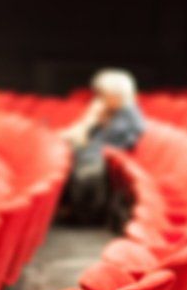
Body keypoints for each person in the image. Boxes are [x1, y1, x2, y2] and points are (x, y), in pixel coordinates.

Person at [59, 68, 146, 223]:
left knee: (86, 169)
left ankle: (84, 215)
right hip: (96, 154)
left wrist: (92, 121)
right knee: (70, 156)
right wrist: (91, 118)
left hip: (104, 158)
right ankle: (70, 208)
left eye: (102, 94)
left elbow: (112, 144)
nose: (99, 99)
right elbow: (84, 135)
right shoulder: (110, 112)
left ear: (116, 95)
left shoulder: (128, 116)